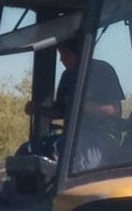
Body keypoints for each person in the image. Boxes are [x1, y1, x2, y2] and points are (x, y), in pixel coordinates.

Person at [22, 39, 124, 169]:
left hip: (101, 138)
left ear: (77, 52)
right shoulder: (67, 76)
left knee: (78, 166)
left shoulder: (102, 70)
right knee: (28, 152)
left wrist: (82, 105)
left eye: (63, 53)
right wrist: (38, 110)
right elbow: (59, 112)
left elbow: (114, 111)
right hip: (72, 137)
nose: (61, 59)